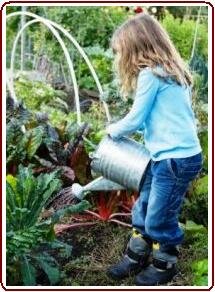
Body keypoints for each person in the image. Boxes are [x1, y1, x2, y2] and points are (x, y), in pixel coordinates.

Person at [105, 13, 203, 286]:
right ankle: (138, 252)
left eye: (122, 51)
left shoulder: (151, 74)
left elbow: (136, 119)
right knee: (145, 205)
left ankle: (165, 263)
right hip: (169, 156)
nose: (121, 57)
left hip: (175, 159)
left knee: (160, 215)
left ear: (137, 46)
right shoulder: (171, 71)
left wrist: (113, 129)